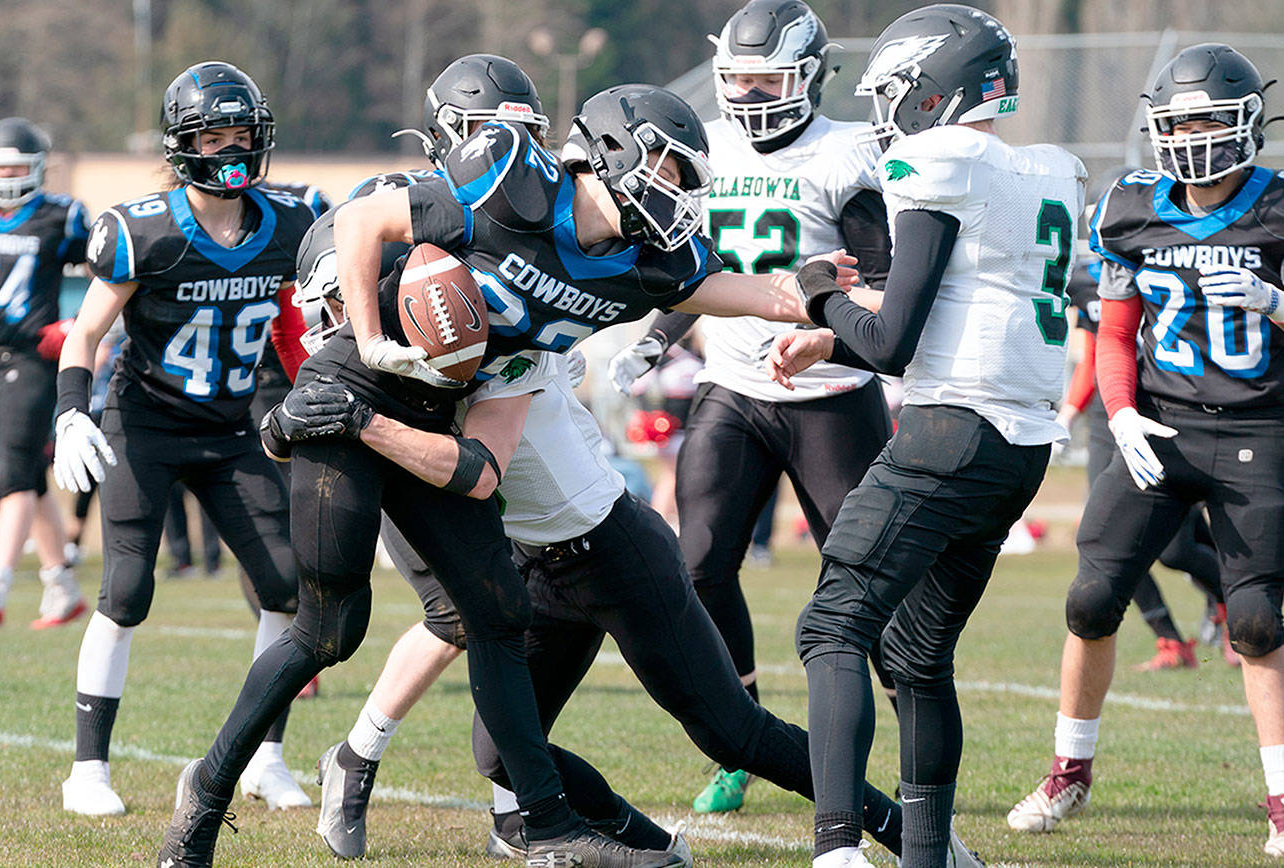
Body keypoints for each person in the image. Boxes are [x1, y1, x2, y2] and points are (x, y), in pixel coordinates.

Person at [157, 78, 859, 868]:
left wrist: (822, 295)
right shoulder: (508, 183)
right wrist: (364, 343)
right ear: (615, 154)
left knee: (497, 613)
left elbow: (752, 293)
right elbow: (358, 224)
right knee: (330, 630)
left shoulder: (629, 269)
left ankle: (547, 828)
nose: (677, 194)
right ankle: (205, 800)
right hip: (355, 386)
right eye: (666, 170)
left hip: (435, 412)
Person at [280, 195, 952, 867]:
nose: (340, 326)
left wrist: (355, 421)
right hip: (537, 572)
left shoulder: (505, 347)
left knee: (734, 734)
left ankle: (907, 833)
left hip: (614, 554)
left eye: (347, 305)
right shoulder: (420, 374)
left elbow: (474, 471)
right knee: (499, 754)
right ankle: (654, 847)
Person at [766, 6, 1085, 866]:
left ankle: (837, 850)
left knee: (833, 627)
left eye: (898, 93)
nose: (887, 114)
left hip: (949, 432)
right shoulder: (1052, 170)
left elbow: (895, 343)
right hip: (1017, 448)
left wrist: (817, 295)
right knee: (915, 652)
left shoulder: (936, 161)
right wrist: (834, 331)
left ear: (937, 92)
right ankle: (930, 852)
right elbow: (967, 303)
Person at [607, 0, 895, 814]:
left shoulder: (845, 153)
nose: (751, 92)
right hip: (733, 386)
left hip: (830, 394)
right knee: (696, 563)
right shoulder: (706, 148)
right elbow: (699, 267)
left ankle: (918, 752)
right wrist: (657, 338)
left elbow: (880, 277)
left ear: (809, 74)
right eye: (738, 77)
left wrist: (835, 339)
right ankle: (741, 736)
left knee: (869, 580)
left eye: (766, 76)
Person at [1006, 43, 1284, 859]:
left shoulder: (1278, 210)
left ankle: (1281, 800)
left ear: (1247, 125)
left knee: (1261, 621)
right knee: (1091, 600)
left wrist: (1276, 302)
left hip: (1258, 428)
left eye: (1207, 120)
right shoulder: (1131, 206)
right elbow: (1116, 334)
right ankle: (1070, 772)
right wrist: (1121, 414)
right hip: (1157, 423)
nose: (1192, 137)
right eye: (1178, 122)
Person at [53, 61, 315, 817]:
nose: (232, 149)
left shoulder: (291, 225)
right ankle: (88, 771)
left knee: (287, 586)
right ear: (182, 145)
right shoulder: (145, 229)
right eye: (215, 135)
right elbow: (88, 331)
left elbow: (303, 322)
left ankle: (266, 758)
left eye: (243, 134)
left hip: (234, 427)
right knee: (126, 591)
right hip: (147, 425)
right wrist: (73, 411)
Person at [1059, 236, 1229, 671]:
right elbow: (1095, 353)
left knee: (1175, 548)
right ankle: (1171, 641)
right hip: (1109, 418)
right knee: (1101, 542)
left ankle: (1239, 607)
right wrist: (1068, 414)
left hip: (1162, 406)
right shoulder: (1082, 280)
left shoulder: (1171, 257)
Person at [0, 116, 89, 629]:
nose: (7, 174)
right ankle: (61, 587)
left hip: (30, 356)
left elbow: (110, 269)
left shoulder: (61, 216)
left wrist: (80, 324)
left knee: (11, 471)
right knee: (26, 477)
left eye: (16, 166)